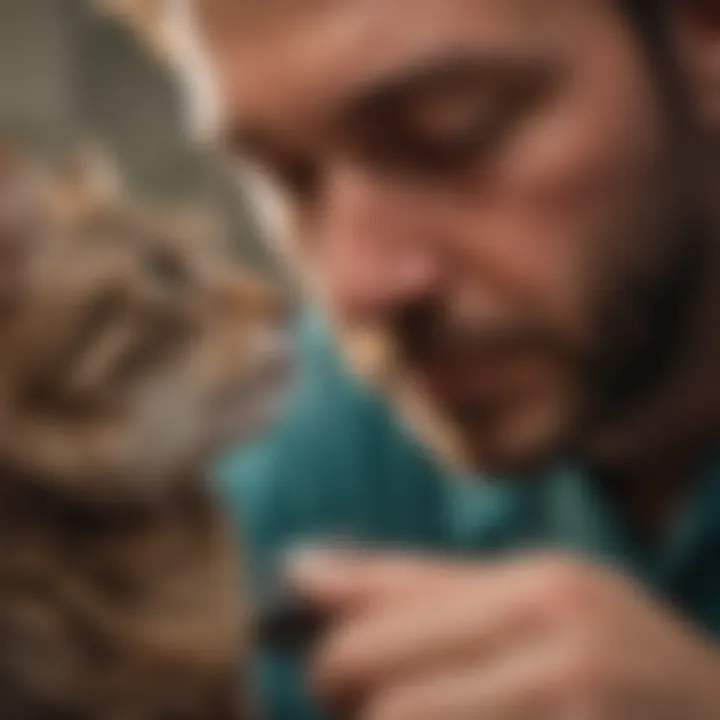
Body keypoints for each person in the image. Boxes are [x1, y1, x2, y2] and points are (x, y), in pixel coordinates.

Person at [157, 0, 720, 717]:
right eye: (285, 179)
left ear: (703, 29)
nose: (355, 288)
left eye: (453, 132)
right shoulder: (300, 460)